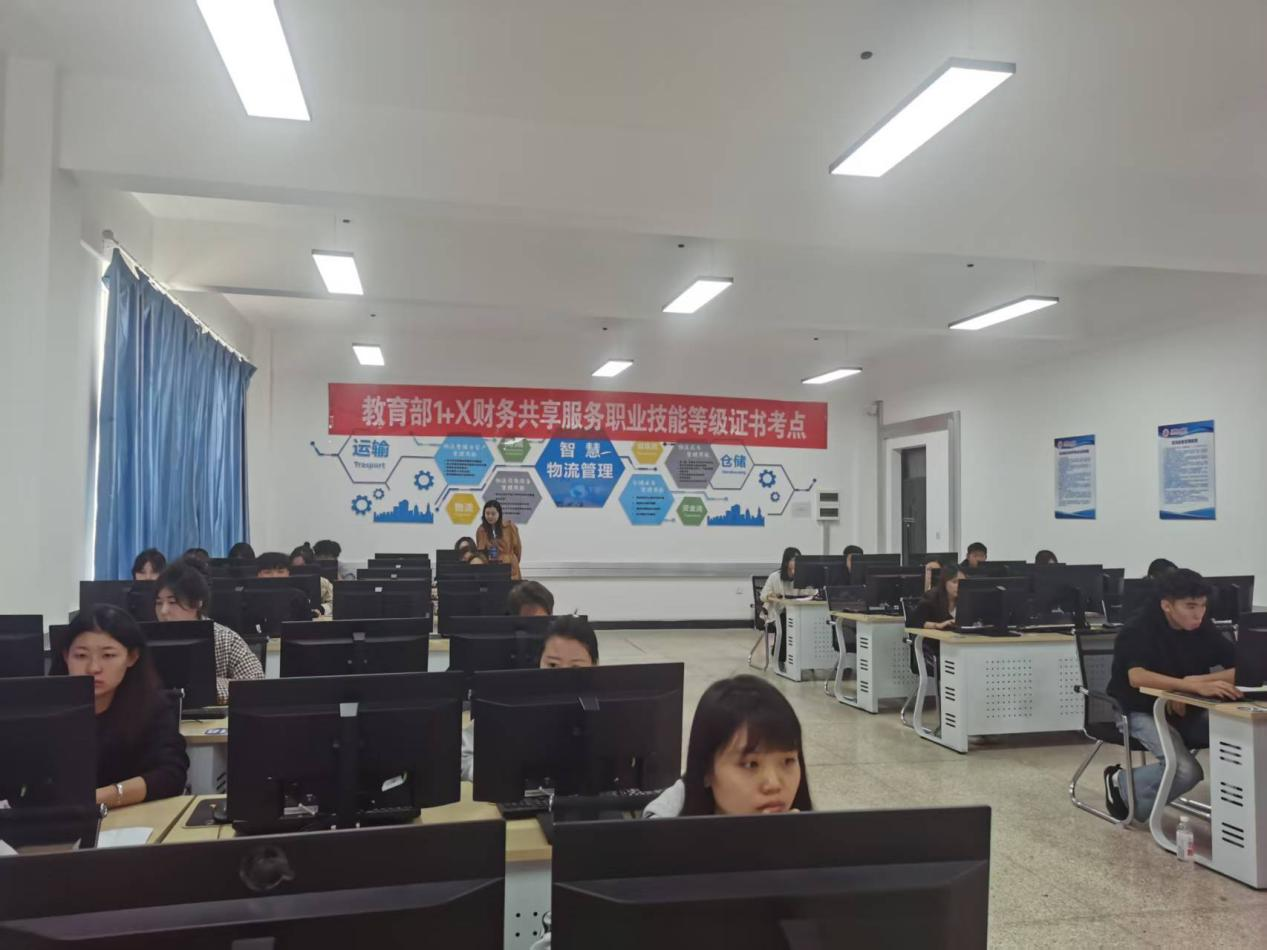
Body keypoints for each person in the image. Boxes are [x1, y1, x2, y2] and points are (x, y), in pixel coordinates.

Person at [1104, 569, 1241, 821]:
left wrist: (1194, 682)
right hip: (1138, 710)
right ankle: (1120, 780)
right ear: (1167, 605)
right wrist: (1187, 686)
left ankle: (1241, 813)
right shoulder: (1138, 629)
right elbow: (1137, 677)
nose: (1199, 613)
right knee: (1186, 772)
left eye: (1203, 605)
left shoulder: (1202, 627)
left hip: (1188, 707)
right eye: (1190, 606)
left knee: (1245, 737)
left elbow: (1243, 669)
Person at [54, 605, 188, 806]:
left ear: (132, 657)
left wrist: (105, 796)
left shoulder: (151, 707)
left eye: (108, 655)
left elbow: (171, 775)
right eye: (81, 656)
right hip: (58, 819)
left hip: (133, 816)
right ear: (66, 656)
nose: (93, 668)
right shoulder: (45, 710)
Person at [644, 674, 812, 818]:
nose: (774, 784)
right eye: (751, 764)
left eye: (788, 761)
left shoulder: (809, 834)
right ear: (706, 771)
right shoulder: (661, 840)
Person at [460, 616, 599, 782]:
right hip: (518, 793)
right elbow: (462, 755)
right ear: (539, 661)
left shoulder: (613, 705)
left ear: (595, 665)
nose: (562, 676)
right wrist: (494, 773)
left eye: (575, 667)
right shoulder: (513, 700)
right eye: (552, 665)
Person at [154, 561, 264, 705]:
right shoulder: (146, 640)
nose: (163, 611)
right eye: (158, 603)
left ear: (197, 603)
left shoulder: (224, 638)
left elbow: (255, 684)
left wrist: (205, 688)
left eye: (172, 602)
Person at [759, 548, 816, 666]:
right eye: (794, 559)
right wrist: (772, 595)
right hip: (778, 613)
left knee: (811, 625)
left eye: (799, 560)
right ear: (786, 562)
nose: (797, 562)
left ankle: (807, 660)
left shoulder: (803, 576)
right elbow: (763, 595)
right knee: (787, 625)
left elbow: (812, 593)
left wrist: (807, 582)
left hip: (798, 612)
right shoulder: (775, 577)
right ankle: (780, 658)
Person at [475, 500, 523, 579]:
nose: (490, 516)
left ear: (499, 514)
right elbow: (480, 551)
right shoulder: (481, 530)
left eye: (493, 514)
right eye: (487, 513)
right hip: (491, 569)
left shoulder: (510, 527)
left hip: (510, 567)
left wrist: (512, 561)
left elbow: (518, 549)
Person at [290, 544, 335, 616]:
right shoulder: (284, 583)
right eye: (294, 568)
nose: (298, 571)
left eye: (301, 567)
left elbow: (334, 603)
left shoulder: (323, 582)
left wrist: (321, 609)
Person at [912, 566, 960, 630]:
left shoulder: (967, 600)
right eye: (954, 582)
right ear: (944, 583)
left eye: (962, 582)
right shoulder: (931, 598)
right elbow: (915, 622)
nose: (959, 585)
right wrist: (937, 625)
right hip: (933, 635)